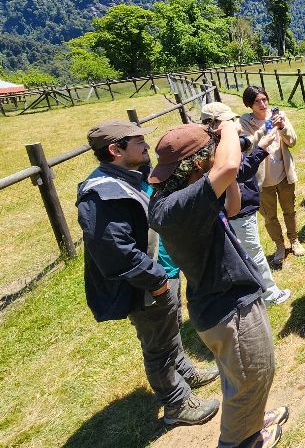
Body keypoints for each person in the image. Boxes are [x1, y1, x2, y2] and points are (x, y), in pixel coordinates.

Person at [148, 123, 287, 448]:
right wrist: (225, 130)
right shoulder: (180, 205)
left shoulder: (177, 196)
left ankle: (250, 421)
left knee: (242, 378)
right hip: (230, 310)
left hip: (224, 303)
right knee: (252, 380)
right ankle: (241, 439)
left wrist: (223, 171)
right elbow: (228, 165)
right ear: (198, 163)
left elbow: (233, 206)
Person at [75, 120, 220, 427]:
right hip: (147, 285)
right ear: (115, 150)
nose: (145, 145)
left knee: (171, 331)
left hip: (164, 272)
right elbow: (115, 252)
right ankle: (177, 404)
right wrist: (155, 282)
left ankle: (184, 370)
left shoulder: (132, 174)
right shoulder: (101, 194)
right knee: (157, 346)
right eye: (137, 141)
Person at [202, 102, 292, 307]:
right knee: (254, 252)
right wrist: (263, 150)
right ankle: (269, 294)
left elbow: (250, 143)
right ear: (216, 125)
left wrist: (266, 132)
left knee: (245, 250)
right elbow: (241, 172)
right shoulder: (218, 149)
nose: (236, 122)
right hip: (239, 211)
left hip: (241, 209)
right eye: (231, 120)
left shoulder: (223, 143)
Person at [239, 86, 305, 267]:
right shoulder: (245, 122)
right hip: (262, 180)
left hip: (284, 174)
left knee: (289, 210)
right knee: (270, 216)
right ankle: (279, 246)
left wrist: (282, 127)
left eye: (264, 99)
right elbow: (248, 147)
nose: (262, 104)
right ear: (249, 105)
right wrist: (266, 132)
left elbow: (292, 141)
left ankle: (294, 240)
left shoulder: (279, 115)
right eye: (257, 101)